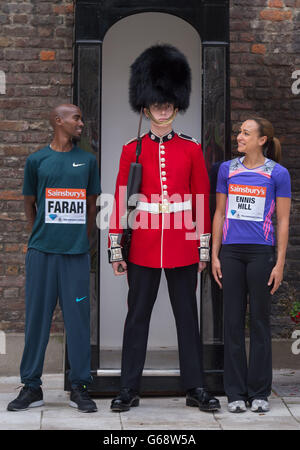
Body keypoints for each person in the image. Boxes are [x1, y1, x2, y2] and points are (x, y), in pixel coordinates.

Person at [108, 44, 220, 413]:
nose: (163, 108)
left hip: (182, 246)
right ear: (147, 105)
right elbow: (123, 197)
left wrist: (203, 247)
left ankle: (195, 387)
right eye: (157, 103)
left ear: (176, 104)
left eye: (169, 103)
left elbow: (201, 198)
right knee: (136, 317)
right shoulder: (132, 150)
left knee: (187, 318)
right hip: (142, 245)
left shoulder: (190, 149)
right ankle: (128, 388)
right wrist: (116, 247)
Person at [7, 104, 101, 413]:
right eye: (76, 117)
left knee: (78, 322)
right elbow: (29, 203)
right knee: (36, 319)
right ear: (57, 121)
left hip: (74, 257)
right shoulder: (36, 161)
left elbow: (90, 208)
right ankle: (31, 386)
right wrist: (43, 233)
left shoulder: (88, 161)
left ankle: (80, 387)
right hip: (42, 254)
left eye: (81, 118)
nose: (81, 123)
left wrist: (81, 242)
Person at [212, 117, 291, 413]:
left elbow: (283, 221)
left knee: (259, 323)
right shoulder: (227, 169)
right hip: (231, 253)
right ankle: (234, 393)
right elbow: (220, 214)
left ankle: (259, 392)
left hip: (261, 254)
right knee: (232, 322)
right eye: (239, 132)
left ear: (262, 140)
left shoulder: (277, 174)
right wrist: (215, 254)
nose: (239, 137)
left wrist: (279, 262)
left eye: (246, 133)